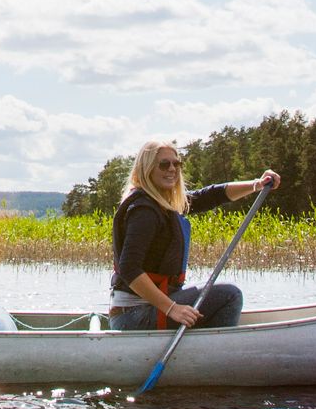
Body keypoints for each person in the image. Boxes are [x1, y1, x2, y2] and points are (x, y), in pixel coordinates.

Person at [108, 141, 282, 331]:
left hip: (147, 310)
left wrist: (257, 184)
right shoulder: (144, 211)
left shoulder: (163, 203)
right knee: (229, 295)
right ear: (147, 169)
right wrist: (172, 308)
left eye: (177, 164)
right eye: (164, 164)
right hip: (133, 316)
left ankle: (201, 347)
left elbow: (211, 195)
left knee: (218, 297)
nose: (172, 169)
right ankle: (213, 353)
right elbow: (129, 268)